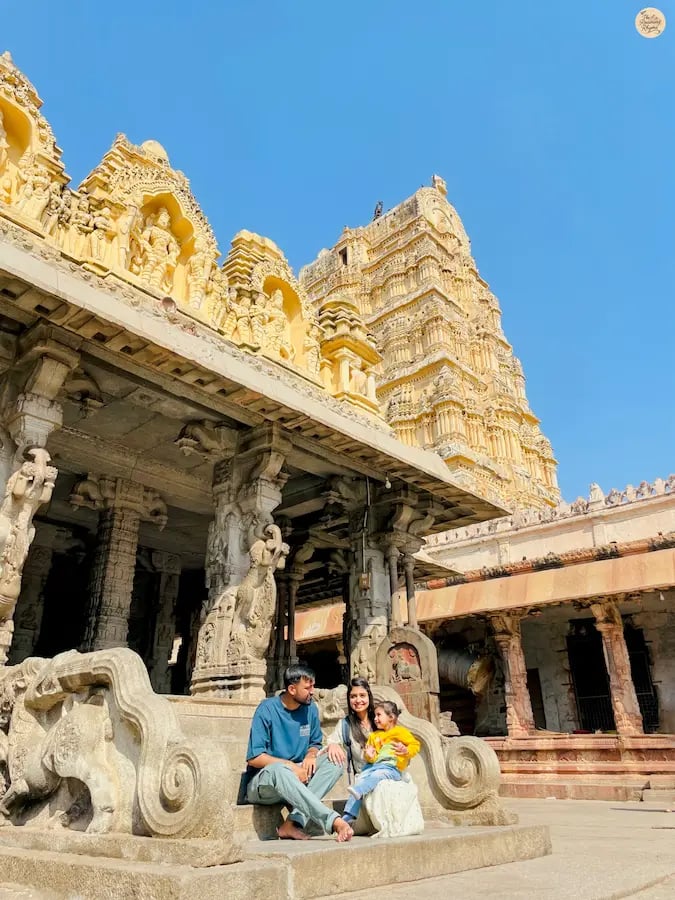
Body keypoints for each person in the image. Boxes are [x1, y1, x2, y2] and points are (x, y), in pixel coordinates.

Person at [245, 664, 354, 842]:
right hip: (264, 782)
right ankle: (334, 821)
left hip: (298, 776)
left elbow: (315, 743)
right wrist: (289, 766)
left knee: (336, 761)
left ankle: (293, 822)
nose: (313, 691)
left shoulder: (310, 708)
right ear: (292, 689)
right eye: (308, 687)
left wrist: (311, 755)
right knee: (280, 770)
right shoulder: (266, 709)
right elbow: (254, 758)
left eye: (313, 686)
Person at [340, 700, 421, 825]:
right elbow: (370, 757)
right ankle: (349, 814)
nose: (375, 719)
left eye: (379, 715)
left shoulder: (400, 732)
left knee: (376, 777)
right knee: (360, 780)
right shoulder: (374, 736)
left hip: (391, 769)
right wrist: (369, 755)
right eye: (375, 715)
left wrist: (406, 750)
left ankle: (360, 791)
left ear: (391, 717)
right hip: (372, 767)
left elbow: (415, 745)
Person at [324, 677, 408, 781]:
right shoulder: (345, 724)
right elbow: (331, 740)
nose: (358, 700)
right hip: (365, 779)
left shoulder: (381, 718)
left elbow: (401, 745)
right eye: (353, 696)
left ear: (369, 696)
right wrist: (332, 745)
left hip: (389, 775)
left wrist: (404, 750)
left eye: (362, 695)